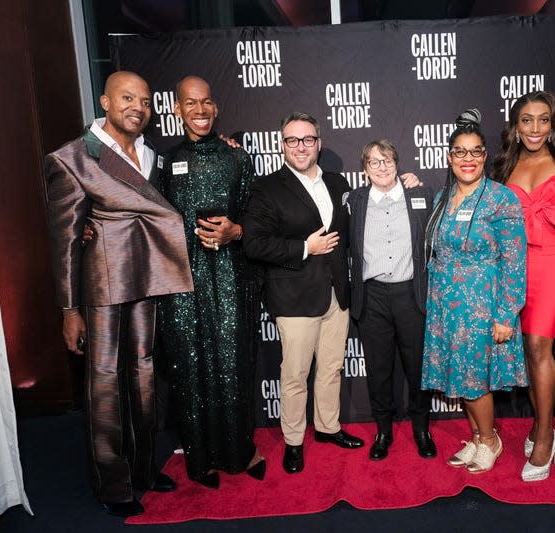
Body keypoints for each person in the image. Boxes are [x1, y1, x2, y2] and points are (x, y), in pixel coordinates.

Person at [44, 71, 193, 517]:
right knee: (106, 386)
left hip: (146, 280)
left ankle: (145, 469)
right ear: (105, 102)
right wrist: (70, 310)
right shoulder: (71, 158)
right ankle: (113, 486)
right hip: (103, 286)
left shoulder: (151, 156)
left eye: (146, 102)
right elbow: (64, 242)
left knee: (144, 377)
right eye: (128, 98)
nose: (138, 107)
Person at [156, 76, 264, 489]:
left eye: (205, 103)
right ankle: (200, 460)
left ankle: (241, 451)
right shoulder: (163, 163)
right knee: (191, 368)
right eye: (190, 103)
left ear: (215, 108)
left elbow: (256, 216)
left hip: (232, 276)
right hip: (182, 282)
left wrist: (235, 231)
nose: (199, 110)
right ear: (178, 110)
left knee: (235, 363)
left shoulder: (238, 158)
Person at [241, 112, 364, 474]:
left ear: (319, 143)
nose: (301, 146)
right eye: (293, 140)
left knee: (331, 368)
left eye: (308, 139)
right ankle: (293, 441)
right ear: (282, 145)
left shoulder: (339, 184)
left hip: (336, 293)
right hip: (293, 297)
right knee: (294, 374)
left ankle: (327, 427)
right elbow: (254, 244)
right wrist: (305, 247)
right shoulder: (267, 188)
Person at [491, 91, 555, 481]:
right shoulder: (504, 165)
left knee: (537, 346)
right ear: (516, 126)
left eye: (543, 119)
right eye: (526, 120)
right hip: (514, 267)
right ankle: (538, 423)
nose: (535, 128)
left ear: (554, 124)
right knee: (523, 353)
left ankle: (547, 436)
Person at [421, 109, 528, 473]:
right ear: (449, 157)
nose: (468, 159)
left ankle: (491, 440)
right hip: (446, 307)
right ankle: (479, 438)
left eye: (476, 151)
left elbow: (515, 262)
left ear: (485, 155)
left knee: (473, 380)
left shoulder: (501, 199)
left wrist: (505, 315)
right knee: (462, 379)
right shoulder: (441, 198)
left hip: (482, 307)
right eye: (460, 152)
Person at [346, 140, 436, 461]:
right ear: (365, 169)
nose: (382, 168)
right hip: (372, 297)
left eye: (387, 161)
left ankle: (421, 429)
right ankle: (383, 431)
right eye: (374, 162)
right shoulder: (354, 201)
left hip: (410, 294)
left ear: (397, 164)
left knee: (417, 368)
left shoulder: (420, 195)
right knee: (379, 368)